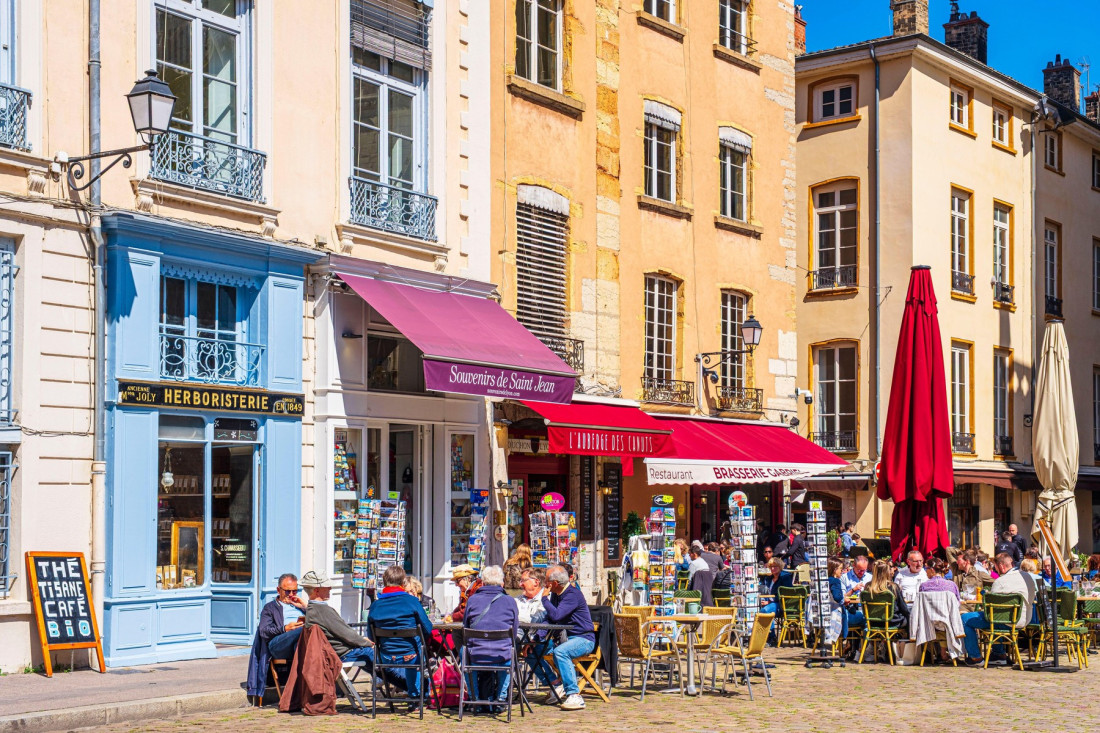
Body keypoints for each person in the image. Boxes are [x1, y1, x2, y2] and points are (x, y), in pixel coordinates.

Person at [367, 565, 434, 703]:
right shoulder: (412, 601)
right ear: (403, 583)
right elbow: (427, 629)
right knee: (415, 650)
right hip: (411, 655)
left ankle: (412, 694)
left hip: (386, 656)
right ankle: (416, 696)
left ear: (384, 582)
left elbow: (371, 636)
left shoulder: (375, 606)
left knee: (412, 651)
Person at [536, 565, 595, 711]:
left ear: (555, 583)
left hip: (584, 639)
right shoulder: (556, 595)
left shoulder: (572, 595)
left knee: (561, 652)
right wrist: (537, 638)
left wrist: (544, 599)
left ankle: (574, 695)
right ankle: (557, 684)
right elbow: (550, 618)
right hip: (566, 639)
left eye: (547, 581)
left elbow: (557, 615)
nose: (545, 584)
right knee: (535, 650)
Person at [960, 552, 1036, 665]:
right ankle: (998, 654)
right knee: (996, 616)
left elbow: (990, 606)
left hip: (1005, 621)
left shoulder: (1000, 581)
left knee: (965, 619)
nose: (995, 570)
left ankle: (975, 657)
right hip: (1024, 619)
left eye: (995, 567)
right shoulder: (1027, 577)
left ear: (1001, 566)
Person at [300, 570, 379, 674]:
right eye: (326, 586)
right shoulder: (322, 610)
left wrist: (362, 641)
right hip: (344, 654)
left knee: (377, 664)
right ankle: (401, 681)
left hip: (338, 653)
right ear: (317, 590)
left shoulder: (312, 610)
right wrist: (367, 643)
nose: (330, 588)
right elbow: (347, 635)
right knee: (380, 658)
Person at [463, 565, 519, 709]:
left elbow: (466, 627)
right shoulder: (510, 601)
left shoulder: (472, 600)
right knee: (509, 651)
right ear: (502, 583)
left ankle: (474, 699)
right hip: (501, 654)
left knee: (464, 652)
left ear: (482, 582)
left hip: (476, 655)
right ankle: (501, 699)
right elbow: (514, 632)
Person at [246, 572, 306, 699]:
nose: (291, 595)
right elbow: (264, 631)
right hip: (278, 645)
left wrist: (305, 607)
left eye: (295, 591)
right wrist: (284, 628)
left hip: (299, 641)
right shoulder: (270, 608)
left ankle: (299, 694)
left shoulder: (300, 606)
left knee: (301, 642)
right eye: (287, 591)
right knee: (305, 630)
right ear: (279, 590)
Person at [867, 559, 909, 635]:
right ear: (887, 572)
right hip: (892, 622)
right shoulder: (893, 587)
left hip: (873, 622)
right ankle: (909, 640)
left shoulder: (868, 587)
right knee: (910, 618)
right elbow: (904, 608)